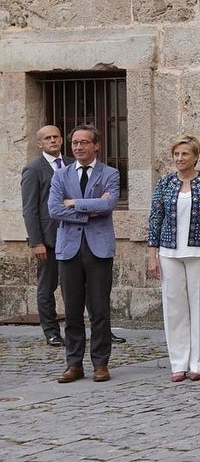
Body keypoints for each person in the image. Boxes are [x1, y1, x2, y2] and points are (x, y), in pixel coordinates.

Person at [146, 135, 200, 382]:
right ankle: (178, 363)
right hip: (169, 252)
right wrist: (152, 255)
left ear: (195, 156)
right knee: (174, 309)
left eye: (184, 154)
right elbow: (155, 219)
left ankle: (198, 363)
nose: (179, 159)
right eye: (176, 154)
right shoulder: (164, 183)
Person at [47, 125, 120, 384]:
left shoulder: (109, 173)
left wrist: (75, 203)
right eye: (75, 143)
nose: (78, 147)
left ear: (96, 145)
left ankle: (101, 363)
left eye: (84, 143)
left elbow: (109, 204)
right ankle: (74, 363)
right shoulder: (61, 175)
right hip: (69, 249)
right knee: (73, 309)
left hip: (98, 248)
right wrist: (90, 211)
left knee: (100, 309)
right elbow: (54, 209)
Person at [21, 125, 70, 347]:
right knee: (47, 287)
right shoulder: (33, 169)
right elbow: (30, 208)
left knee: (84, 285)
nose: (53, 141)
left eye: (56, 137)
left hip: (74, 235)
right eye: (47, 138)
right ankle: (51, 332)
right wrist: (36, 241)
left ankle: (96, 330)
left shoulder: (71, 163)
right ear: (39, 143)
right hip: (48, 239)